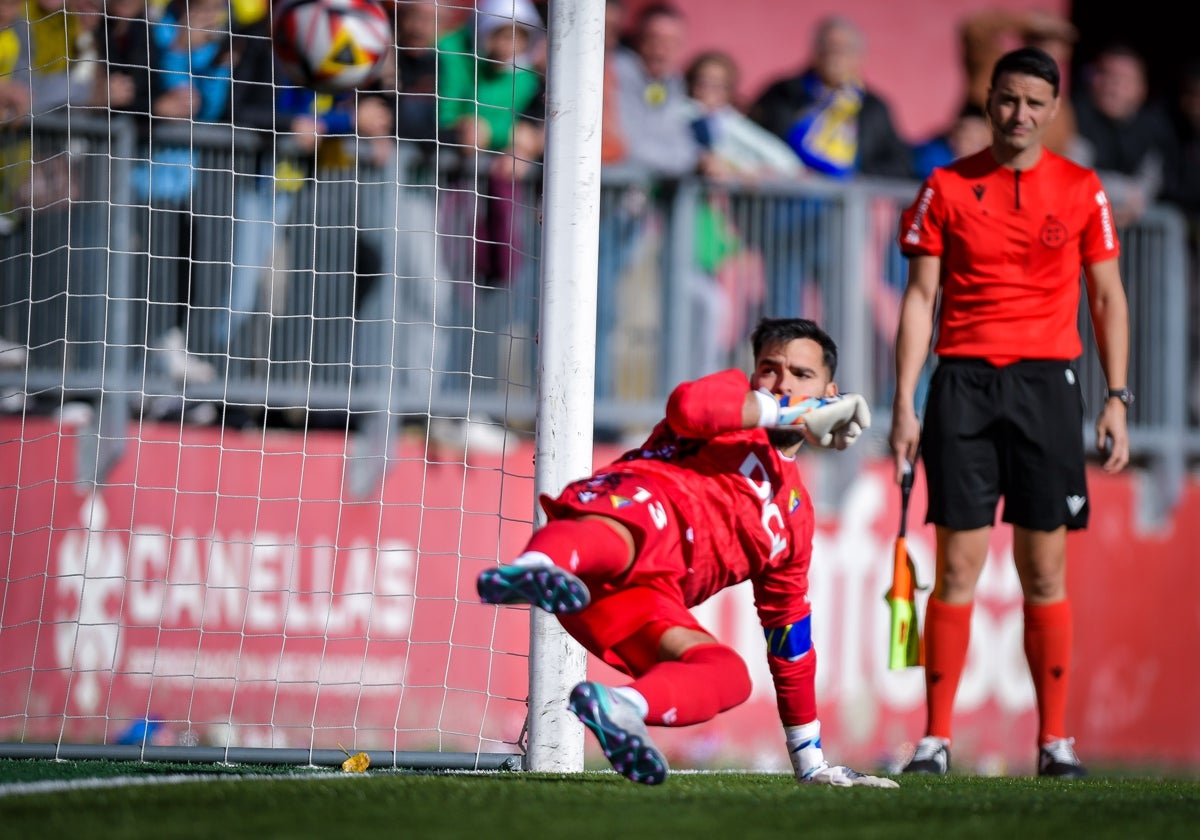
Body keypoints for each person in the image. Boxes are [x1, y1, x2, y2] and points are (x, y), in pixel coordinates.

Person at [476, 317, 895, 789]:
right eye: (770, 370)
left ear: (831, 393)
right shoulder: (732, 405)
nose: (783, 385)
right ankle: (535, 570)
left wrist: (811, 762)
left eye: (801, 376)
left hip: (640, 599)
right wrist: (782, 413)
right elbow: (689, 406)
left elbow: (790, 640)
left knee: (730, 674)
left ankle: (619, 707)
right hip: (619, 522)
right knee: (634, 529)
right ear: (753, 375)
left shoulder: (794, 520)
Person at [890, 47, 1132, 779]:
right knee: (957, 568)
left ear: (1054, 110)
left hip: (1047, 390)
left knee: (1043, 570)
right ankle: (934, 740)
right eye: (1007, 100)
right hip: (961, 386)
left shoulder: (1082, 188)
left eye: (1034, 102)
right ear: (988, 100)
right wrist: (905, 401)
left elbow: (1108, 298)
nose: (1019, 114)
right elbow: (920, 299)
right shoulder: (946, 185)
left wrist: (1117, 397)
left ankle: (1055, 743)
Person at [748, 15, 910, 180]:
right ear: (815, 53)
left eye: (843, 49)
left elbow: (898, 163)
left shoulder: (873, 107)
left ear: (859, 57)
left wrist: (852, 176)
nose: (834, 56)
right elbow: (754, 138)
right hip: (784, 194)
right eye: (828, 48)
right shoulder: (783, 93)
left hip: (845, 201)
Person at [1072, 42, 1179, 225]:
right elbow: (1075, 176)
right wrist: (1123, 196)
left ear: (1141, 89)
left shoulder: (1154, 129)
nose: (1111, 86)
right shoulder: (1073, 117)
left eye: (1123, 79)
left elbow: (1151, 181)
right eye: (1104, 74)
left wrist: (1137, 204)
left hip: (1136, 237)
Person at [958, 6, 1080, 159]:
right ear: (1026, 39)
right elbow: (975, 29)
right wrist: (1030, 22)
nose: (1046, 48)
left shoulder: (1060, 107)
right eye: (1039, 38)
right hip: (977, 164)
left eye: (1055, 42)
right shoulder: (995, 67)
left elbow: (1057, 153)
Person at [909, 101, 991, 181]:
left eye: (980, 143)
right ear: (954, 136)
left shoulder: (987, 166)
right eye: (969, 140)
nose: (974, 148)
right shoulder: (932, 155)